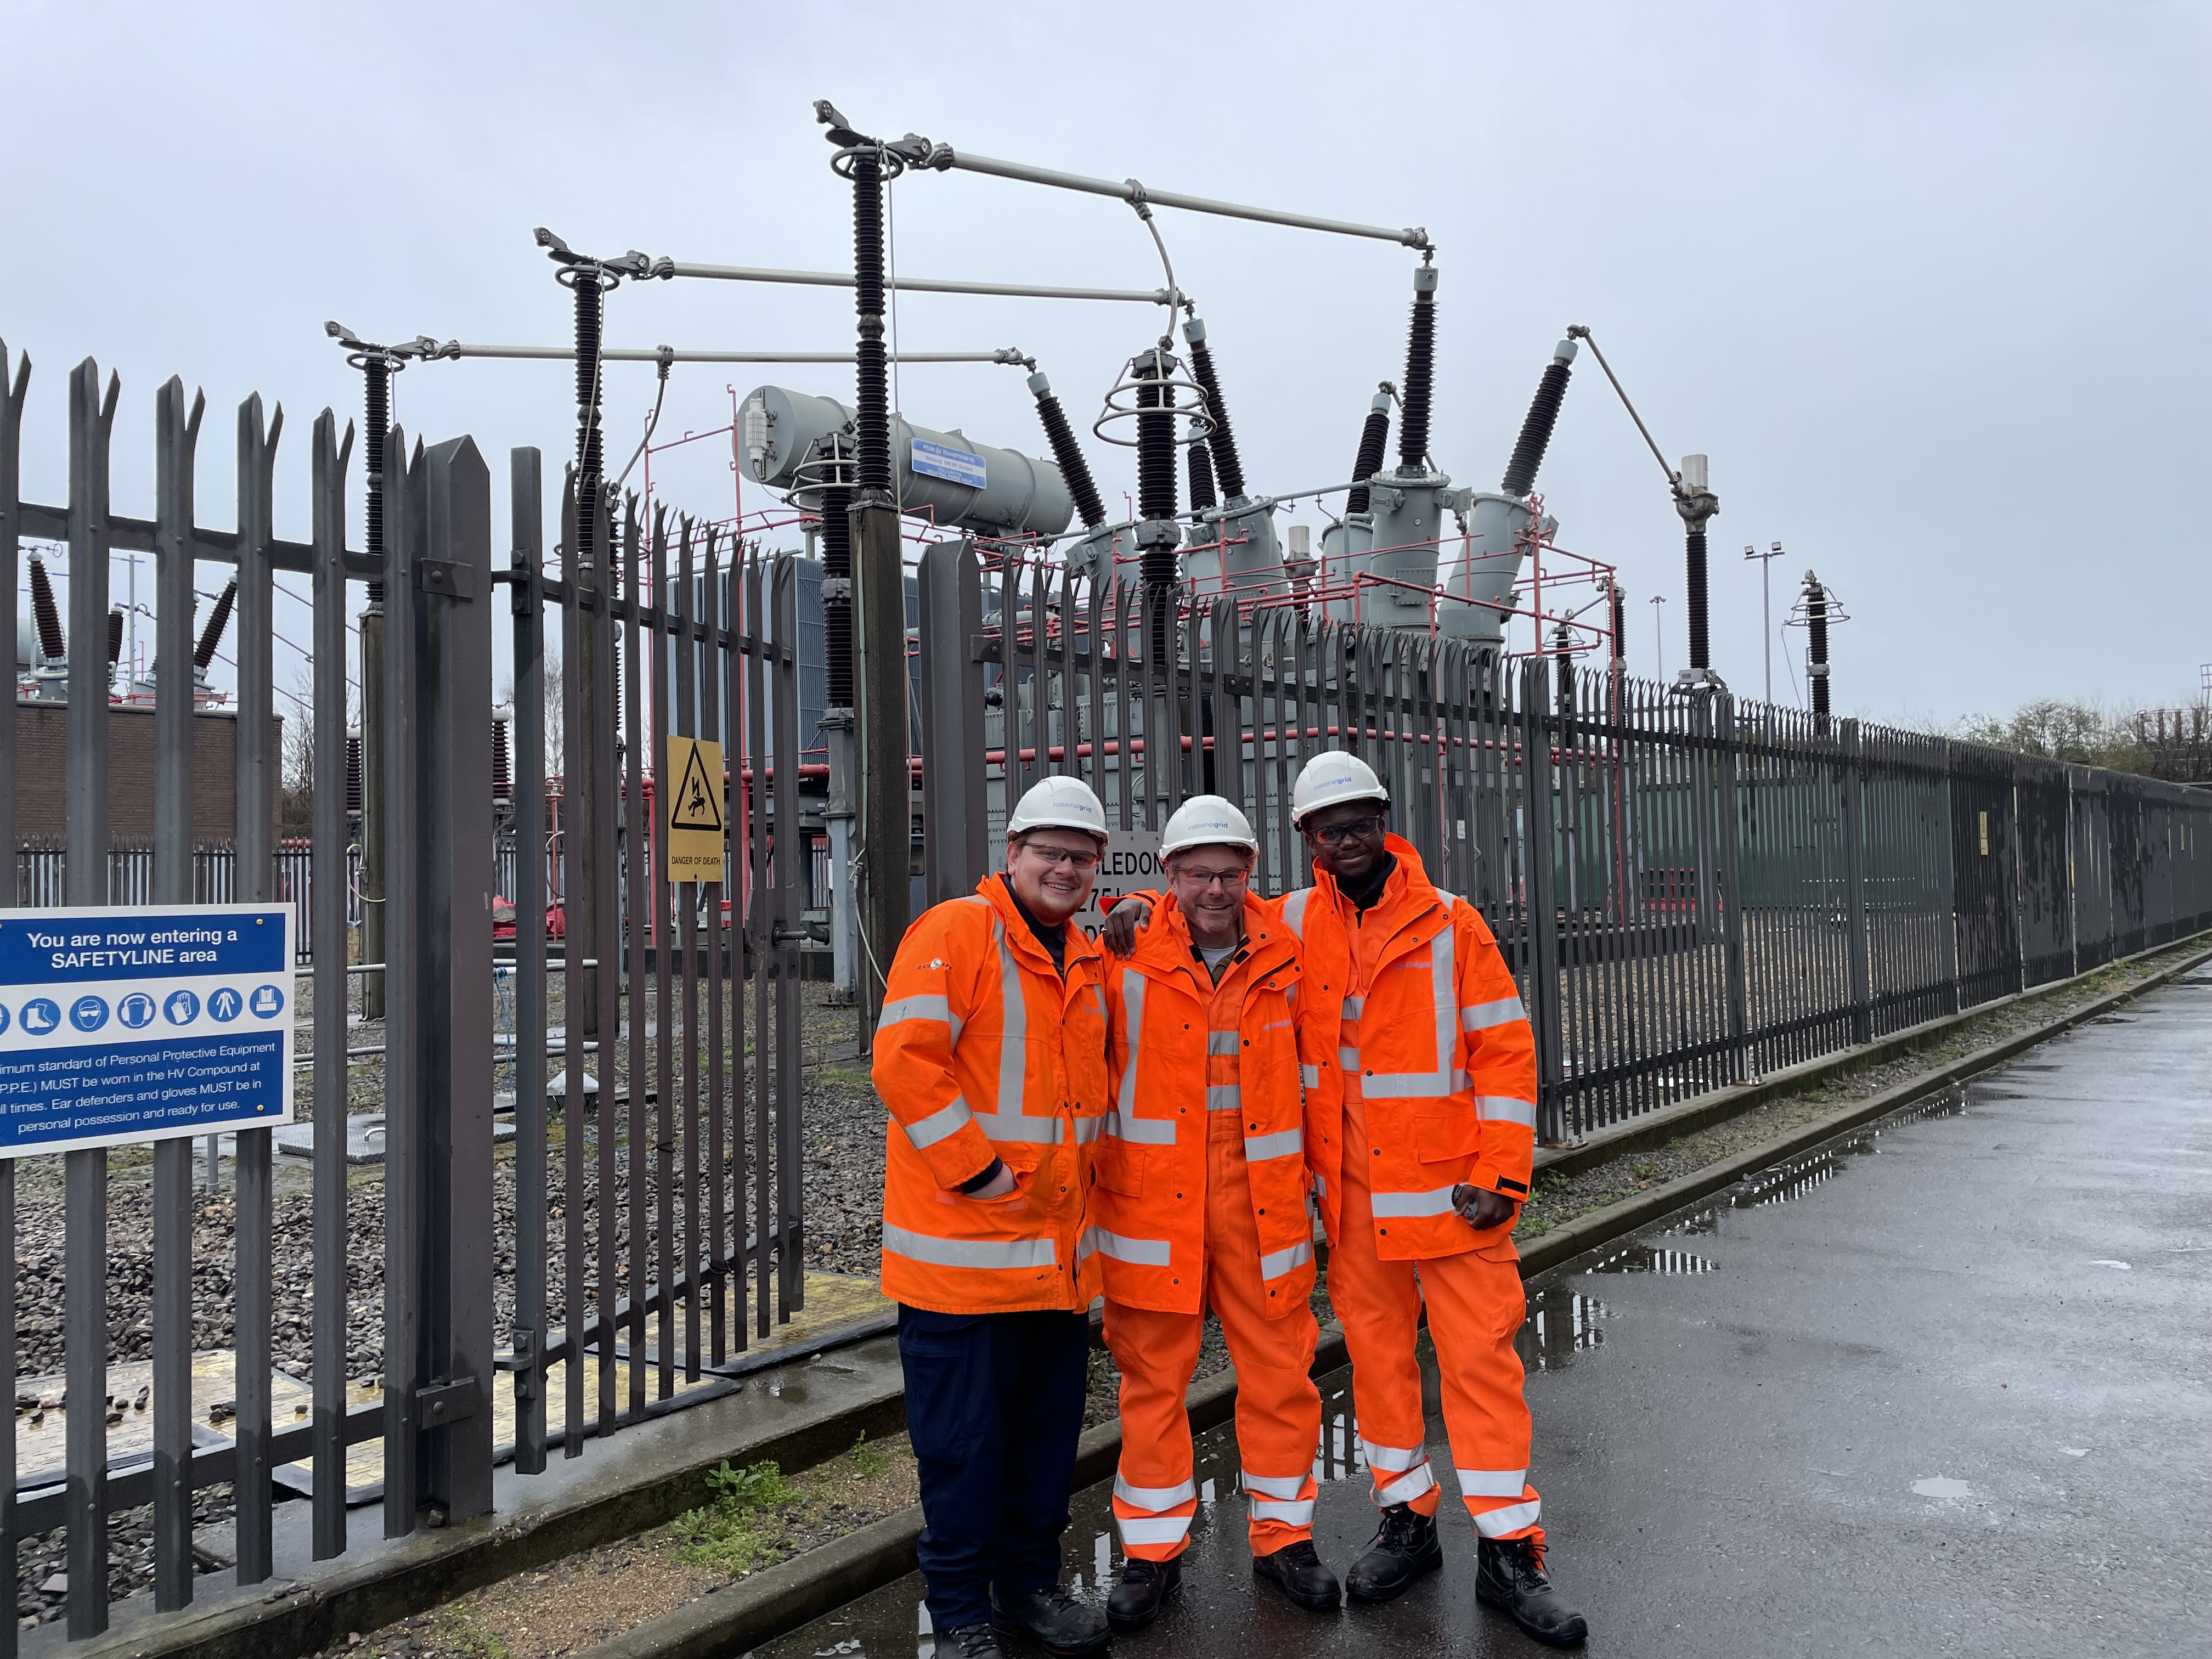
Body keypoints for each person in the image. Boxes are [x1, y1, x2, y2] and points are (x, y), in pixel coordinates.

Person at [1104, 754, 1588, 1648]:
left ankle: (1511, 1551)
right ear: (1305, 841)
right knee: (1379, 1370)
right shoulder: (1289, 924)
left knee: (1481, 1368)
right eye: (1328, 826)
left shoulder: (1451, 924)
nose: (1347, 836)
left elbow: (1507, 1054)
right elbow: (1187, 919)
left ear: (1383, 819)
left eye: (1360, 818)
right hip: (1355, 1208)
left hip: (1454, 1199)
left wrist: (1504, 1173)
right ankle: (1406, 1519)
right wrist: (1124, 910)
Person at [873, 775, 1117, 1659]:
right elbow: (904, 1064)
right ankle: (961, 1616)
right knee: (965, 1455)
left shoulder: (1083, 956)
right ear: (1011, 854)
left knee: (1043, 1450)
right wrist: (977, 1174)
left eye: (1080, 857)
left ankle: (1025, 1591)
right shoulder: (957, 933)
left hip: (1053, 1271)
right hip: (963, 1270)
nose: (1065, 868)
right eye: (1049, 852)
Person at [1089, 796, 1341, 1632]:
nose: (1216, 889)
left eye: (1230, 873)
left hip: (1260, 1209)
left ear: (1251, 873)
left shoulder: (1290, 954)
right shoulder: (1120, 956)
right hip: (1153, 1210)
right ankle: (1152, 1554)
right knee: (1152, 1383)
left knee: (1279, 1379)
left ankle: (1284, 1542)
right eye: (1198, 873)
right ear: (1168, 875)